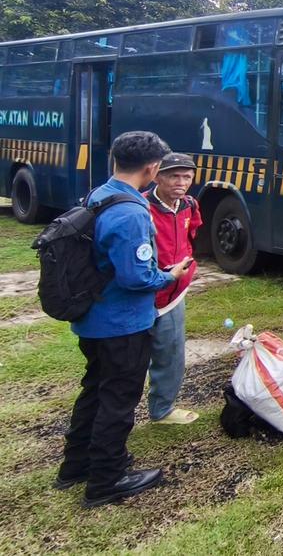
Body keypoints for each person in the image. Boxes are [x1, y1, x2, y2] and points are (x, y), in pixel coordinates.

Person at [56, 131, 192, 508]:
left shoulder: (99, 194)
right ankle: (107, 478)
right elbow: (136, 278)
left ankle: (76, 465)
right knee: (118, 399)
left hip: (93, 319)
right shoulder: (132, 212)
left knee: (95, 391)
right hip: (122, 324)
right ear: (152, 169)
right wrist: (170, 276)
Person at [144, 153, 202, 425]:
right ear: (157, 176)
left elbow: (192, 236)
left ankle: (162, 410)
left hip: (173, 296)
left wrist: (189, 266)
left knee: (171, 353)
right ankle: (117, 416)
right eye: (173, 176)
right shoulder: (142, 208)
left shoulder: (190, 205)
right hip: (143, 296)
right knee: (132, 361)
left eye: (187, 177)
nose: (181, 182)